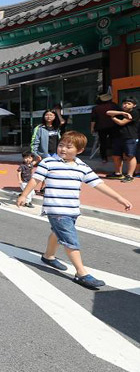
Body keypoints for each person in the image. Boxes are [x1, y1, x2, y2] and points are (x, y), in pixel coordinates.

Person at [18, 131, 132, 289]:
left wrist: (119, 198)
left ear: (79, 150)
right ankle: (81, 273)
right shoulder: (48, 162)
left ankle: (48, 256)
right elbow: (35, 180)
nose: (63, 149)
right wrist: (24, 195)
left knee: (58, 233)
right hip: (56, 209)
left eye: (68, 147)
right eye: (61, 145)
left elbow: (100, 185)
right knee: (70, 239)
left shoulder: (82, 167)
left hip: (72, 209)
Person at [108, 97, 138, 182]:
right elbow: (108, 112)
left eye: (129, 103)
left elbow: (121, 123)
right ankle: (118, 174)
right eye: (124, 103)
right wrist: (121, 112)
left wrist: (113, 118)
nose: (126, 105)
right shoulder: (120, 112)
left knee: (130, 156)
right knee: (116, 156)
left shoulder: (135, 113)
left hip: (130, 137)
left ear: (134, 105)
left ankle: (130, 175)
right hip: (117, 137)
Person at [90, 93, 120, 163]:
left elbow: (93, 119)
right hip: (114, 125)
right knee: (115, 141)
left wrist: (92, 128)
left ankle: (104, 158)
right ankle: (117, 156)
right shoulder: (113, 105)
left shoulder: (96, 108)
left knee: (102, 142)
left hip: (101, 127)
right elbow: (120, 113)